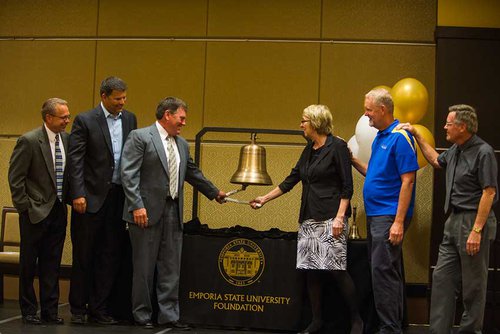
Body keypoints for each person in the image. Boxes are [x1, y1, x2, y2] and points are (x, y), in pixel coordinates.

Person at [250, 104, 363, 334]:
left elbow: (347, 186)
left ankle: (356, 320)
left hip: (331, 217)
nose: (300, 125)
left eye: (304, 121)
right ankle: (317, 320)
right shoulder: (309, 149)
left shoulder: (337, 146)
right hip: (309, 218)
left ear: (316, 123)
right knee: (311, 271)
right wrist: (265, 198)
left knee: (336, 270)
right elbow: (291, 180)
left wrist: (340, 218)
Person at [121, 96, 226, 330]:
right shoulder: (140, 137)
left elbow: (192, 172)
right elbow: (128, 174)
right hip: (145, 212)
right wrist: (136, 205)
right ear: (167, 114)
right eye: (182, 118)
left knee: (171, 267)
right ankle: (142, 315)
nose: (184, 123)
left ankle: (169, 316)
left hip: (173, 210)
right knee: (144, 267)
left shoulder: (182, 144)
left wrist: (214, 192)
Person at [398, 104, 497, 333]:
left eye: (448, 123)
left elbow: (489, 192)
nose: (445, 127)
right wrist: (417, 135)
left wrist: (477, 230)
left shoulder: (484, 152)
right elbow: (435, 160)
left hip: (474, 221)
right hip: (453, 220)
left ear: (462, 127)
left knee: (473, 287)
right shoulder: (456, 149)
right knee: (442, 279)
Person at [68, 76, 137, 325]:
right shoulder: (85, 120)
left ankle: (99, 309)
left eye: (124, 98)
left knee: (110, 255)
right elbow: (75, 160)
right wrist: (78, 193)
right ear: (104, 96)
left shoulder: (130, 119)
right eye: (118, 98)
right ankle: (78, 308)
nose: (122, 102)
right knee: (84, 254)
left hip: (118, 197)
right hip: (89, 198)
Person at [351, 89, 419, 334]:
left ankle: (390, 330)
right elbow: (375, 174)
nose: (366, 114)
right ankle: (394, 326)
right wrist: (353, 160)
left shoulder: (400, 138)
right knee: (384, 271)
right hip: (376, 216)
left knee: (383, 274)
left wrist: (398, 222)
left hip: (389, 216)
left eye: (369, 109)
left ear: (382, 109)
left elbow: (408, 181)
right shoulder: (381, 136)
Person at [8, 98, 71, 325]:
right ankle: (28, 310)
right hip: (34, 211)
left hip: (58, 210)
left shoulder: (67, 139)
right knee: (29, 263)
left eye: (67, 116)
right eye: (63, 117)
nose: (67, 120)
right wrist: (24, 206)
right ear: (48, 118)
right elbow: (16, 178)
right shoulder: (29, 140)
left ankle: (50, 311)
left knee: (52, 263)